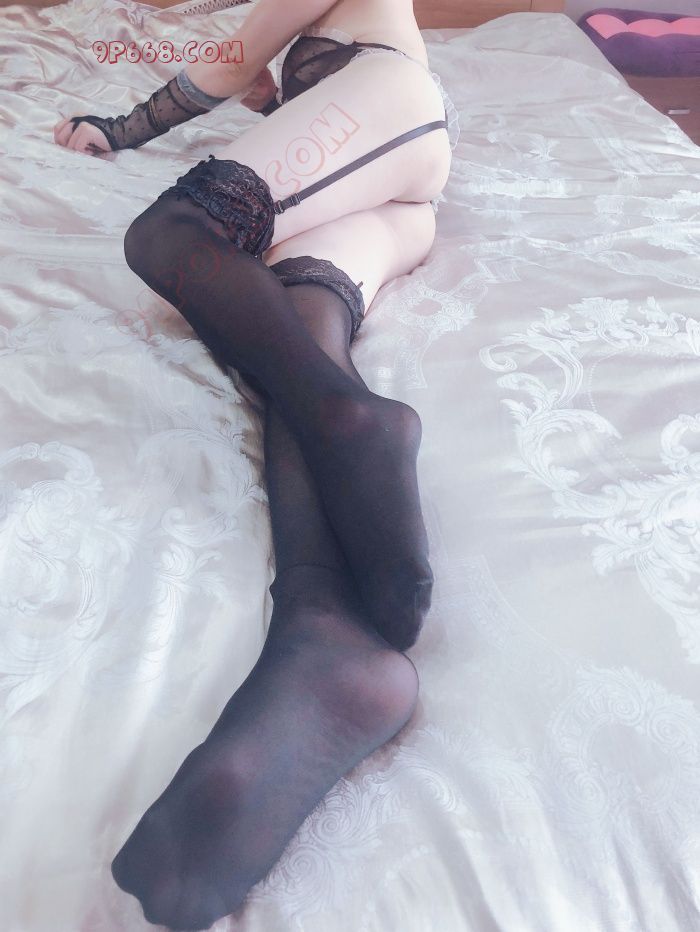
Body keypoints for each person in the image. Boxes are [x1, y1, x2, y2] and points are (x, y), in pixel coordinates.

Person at [53, 0, 457, 927]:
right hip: (400, 194)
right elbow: (258, 82)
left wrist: (121, 127)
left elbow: (232, 57)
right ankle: (327, 640)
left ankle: (353, 419)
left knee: (168, 232)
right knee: (295, 321)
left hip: (389, 105)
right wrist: (262, 102)